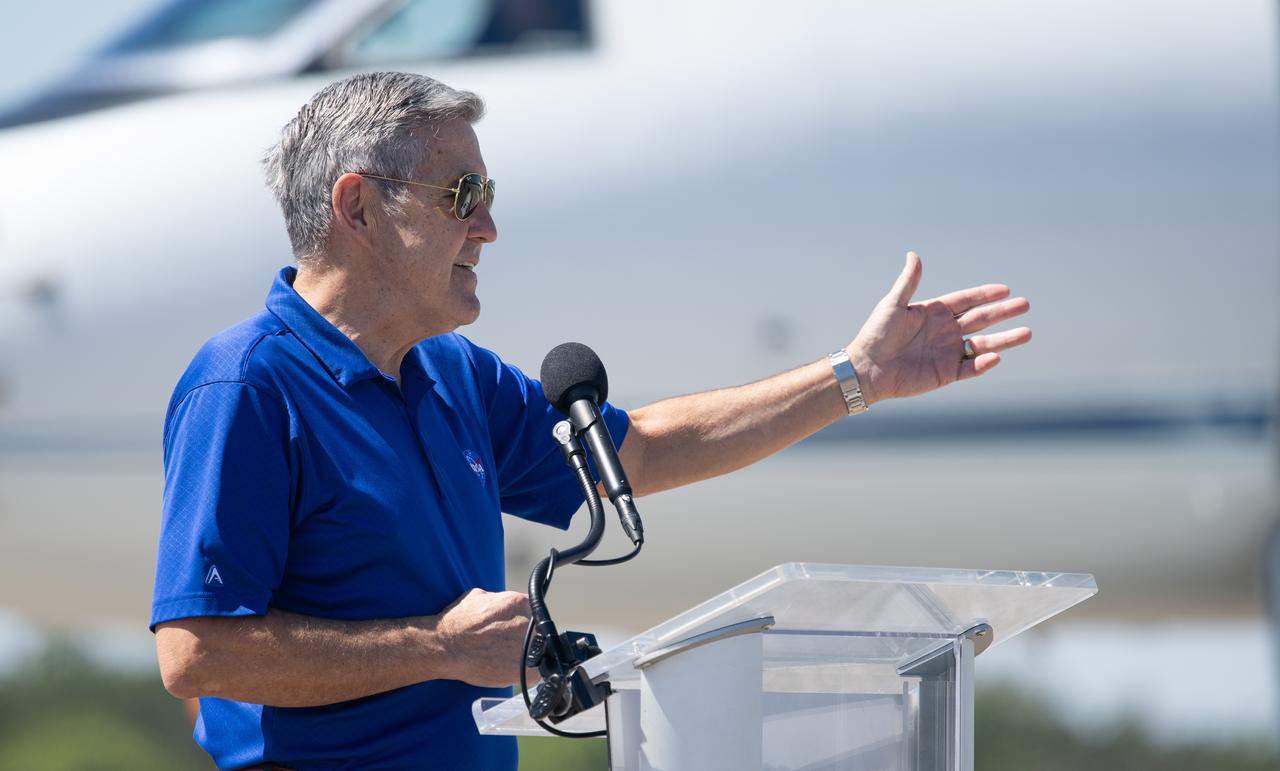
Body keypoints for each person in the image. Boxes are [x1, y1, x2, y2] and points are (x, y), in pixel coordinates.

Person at [151, 71, 1031, 770]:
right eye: (463, 192)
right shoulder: (246, 385)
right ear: (359, 208)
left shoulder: (453, 374)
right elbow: (197, 655)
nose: (489, 226)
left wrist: (855, 378)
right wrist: (438, 647)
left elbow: (638, 450)